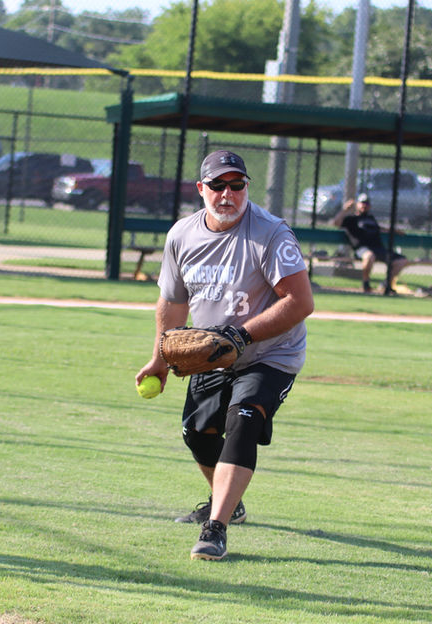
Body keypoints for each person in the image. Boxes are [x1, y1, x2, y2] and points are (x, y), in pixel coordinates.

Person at [134, 150, 314, 561]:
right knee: (197, 434)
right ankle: (230, 501)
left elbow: (300, 302)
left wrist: (241, 334)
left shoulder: (271, 234)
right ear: (202, 190)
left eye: (237, 185)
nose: (228, 194)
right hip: (212, 354)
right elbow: (173, 304)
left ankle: (216, 527)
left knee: (243, 420)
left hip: (271, 352)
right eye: (218, 185)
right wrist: (160, 357)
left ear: (247, 187)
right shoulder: (182, 235)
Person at [331, 193, 408, 294]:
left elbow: (379, 228)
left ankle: (386, 284)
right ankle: (366, 283)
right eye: (362, 203)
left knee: (402, 261)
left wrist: (395, 230)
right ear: (357, 204)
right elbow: (335, 223)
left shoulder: (371, 218)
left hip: (379, 249)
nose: (364, 205)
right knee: (370, 256)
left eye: (366, 203)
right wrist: (345, 210)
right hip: (362, 249)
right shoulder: (351, 219)